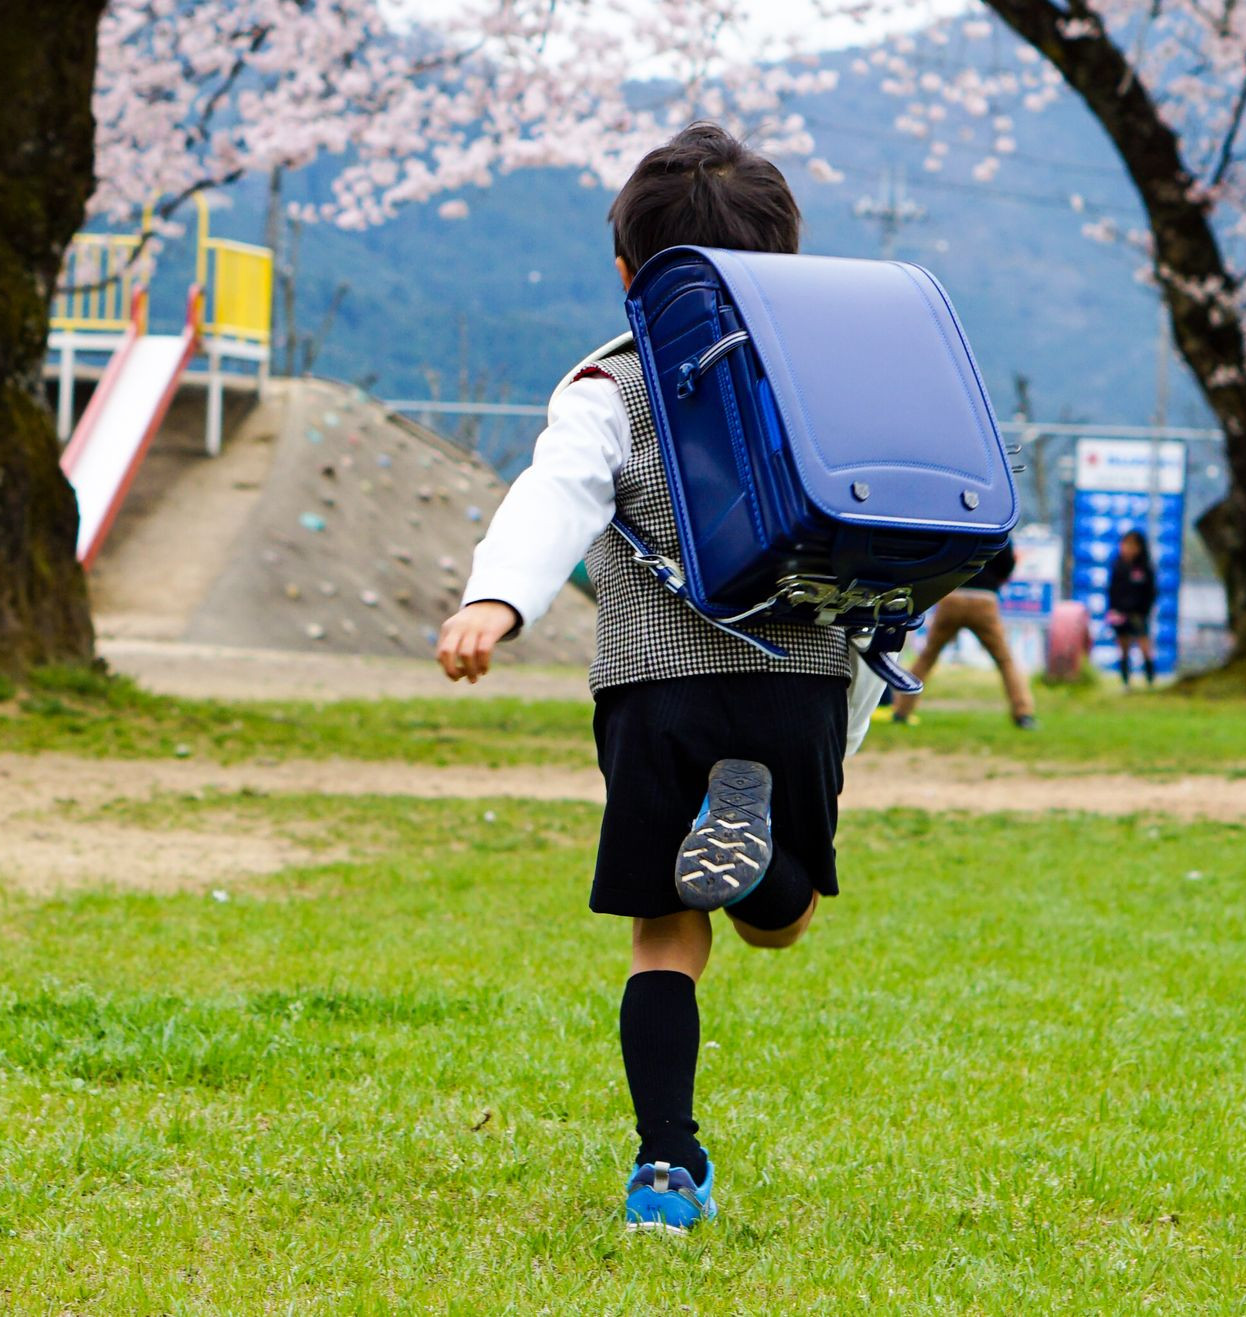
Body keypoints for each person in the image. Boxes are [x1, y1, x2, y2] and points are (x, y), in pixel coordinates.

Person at [434, 121, 886, 1234]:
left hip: (655, 687)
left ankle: (666, 1166)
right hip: (799, 684)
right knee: (780, 925)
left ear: (628, 272)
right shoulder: (828, 387)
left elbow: (556, 491)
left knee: (662, 935)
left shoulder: (612, 384)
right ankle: (765, 863)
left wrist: (498, 597)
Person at [886, 535, 1039, 729]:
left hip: (952, 595)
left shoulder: (958, 525)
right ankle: (1023, 714)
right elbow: (1007, 564)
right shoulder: (998, 527)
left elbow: (939, 557)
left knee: (928, 656)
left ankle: (901, 710)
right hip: (984, 599)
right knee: (1005, 660)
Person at [1105, 525, 1161, 684]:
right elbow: (1112, 590)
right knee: (1123, 647)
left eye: (1132, 545)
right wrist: (1113, 611)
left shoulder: (1145, 568)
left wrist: (1144, 610)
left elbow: (1151, 592)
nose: (1128, 548)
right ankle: (1125, 681)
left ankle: (1150, 679)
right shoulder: (1117, 566)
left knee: (1145, 647)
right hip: (1120, 613)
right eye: (1125, 544)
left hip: (1139, 614)